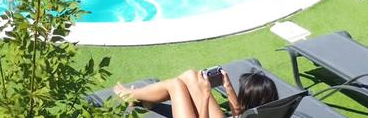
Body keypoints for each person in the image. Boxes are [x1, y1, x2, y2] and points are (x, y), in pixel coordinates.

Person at [115, 68, 277, 118]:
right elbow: (238, 114)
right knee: (190, 75)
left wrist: (206, 95)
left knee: (175, 85)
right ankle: (145, 100)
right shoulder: (268, 113)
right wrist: (227, 86)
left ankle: (130, 95)